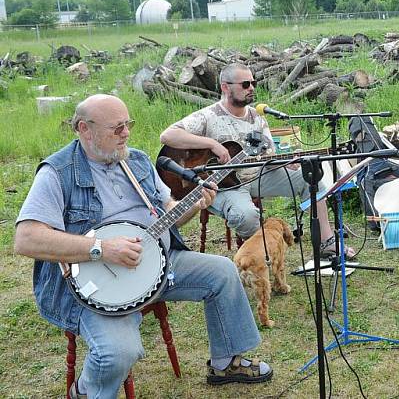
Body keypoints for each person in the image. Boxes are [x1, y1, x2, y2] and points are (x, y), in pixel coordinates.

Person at [14, 95, 272, 399]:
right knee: (118, 352)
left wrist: (193, 204)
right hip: (97, 282)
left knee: (223, 272)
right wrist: (101, 248)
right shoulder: (58, 172)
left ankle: (226, 363)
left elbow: (170, 211)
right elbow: (26, 238)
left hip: (159, 260)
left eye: (128, 124)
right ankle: (85, 391)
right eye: (117, 128)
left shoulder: (135, 160)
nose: (126, 133)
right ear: (84, 129)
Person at [159, 63, 354, 259]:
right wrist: (211, 143)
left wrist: (287, 161)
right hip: (220, 185)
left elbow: (269, 154)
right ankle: (256, 257)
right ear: (225, 87)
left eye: (253, 83)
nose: (251, 88)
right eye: (245, 84)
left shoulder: (257, 118)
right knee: (246, 216)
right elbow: (168, 136)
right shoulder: (208, 116)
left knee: (309, 178)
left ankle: (326, 243)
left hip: (257, 175)